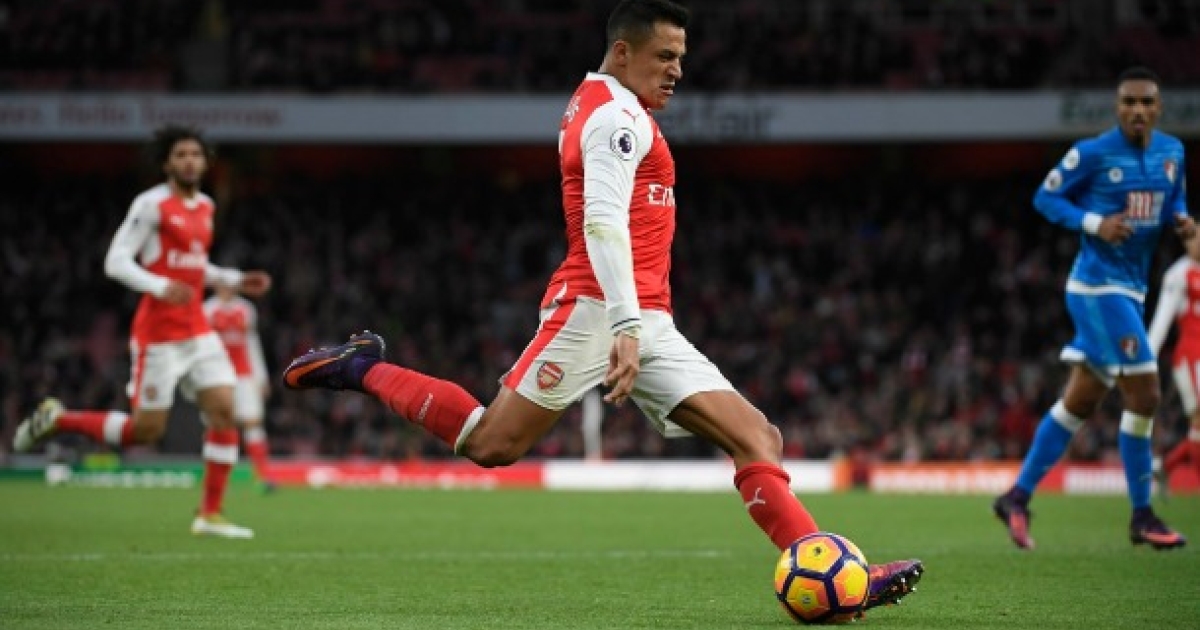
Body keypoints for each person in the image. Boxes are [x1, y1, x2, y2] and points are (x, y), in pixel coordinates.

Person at [283, 0, 922, 612]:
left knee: (756, 436)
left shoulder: (610, 106)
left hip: (643, 315)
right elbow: (602, 222)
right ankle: (360, 367)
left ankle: (839, 580)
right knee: (493, 443)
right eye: (664, 55)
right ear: (622, 51)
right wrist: (625, 325)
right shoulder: (615, 117)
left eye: (681, 58)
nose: (676, 70)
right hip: (596, 309)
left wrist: (639, 323)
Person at [13, 124, 272, 539]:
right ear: (167, 163)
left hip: (198, 330)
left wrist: (235, 279)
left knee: (224, 411)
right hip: (159, 336)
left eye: (195, 154)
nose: (189, 161)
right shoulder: (151, 205)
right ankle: (60, 420)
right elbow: (116, 261)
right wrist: (158, 285)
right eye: (180, 155)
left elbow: (194, 265)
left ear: (206, 162)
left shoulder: (205, 206)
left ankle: (209, 514)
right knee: (145, 431)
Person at [993, 67, 1192, 550]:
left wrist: (1182, 220)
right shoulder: (1093, 153)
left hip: (1132, 289)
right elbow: (1045, 197)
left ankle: (1016, 497)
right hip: (1097, 288)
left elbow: (1174, 200)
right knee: (1145, 392)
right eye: (1129, 102)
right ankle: (1142, 515)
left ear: (1159, 108)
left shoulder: (1172, 152)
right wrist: (1095, 222)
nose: (1138, 110)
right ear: (1118, 107)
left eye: (1147, 102)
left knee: (1079, 402)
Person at [204, 281, 274, 489]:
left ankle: (262, 477)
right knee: (219, 424)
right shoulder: (208, 310)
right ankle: (216, 477)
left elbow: (252, 343)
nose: (227, 288)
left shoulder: (246, 309)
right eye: (224, 284)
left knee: (253, 422)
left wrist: (261, 377)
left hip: (244, 375)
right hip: (218, 375)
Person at [1148, 231, 1200, 490]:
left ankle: (1164, 467)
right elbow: (1162, 319)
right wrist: (1147, 360)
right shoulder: (1179, 274)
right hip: (1192, 356)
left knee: (1197, 428)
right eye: (1195, 237)